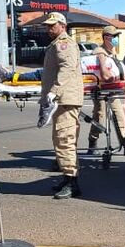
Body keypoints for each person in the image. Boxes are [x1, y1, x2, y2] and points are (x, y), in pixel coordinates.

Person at [39, 12, 82, 199]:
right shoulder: (56, 44)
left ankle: (72, 182)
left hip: (65, 98)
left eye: (52, 25)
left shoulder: (64, 44)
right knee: (60, 139)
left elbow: (67, 67)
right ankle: (67, 177)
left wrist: (54, 91)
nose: (49, 29)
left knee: (65, 139)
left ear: (62, 25)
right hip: (62, 99)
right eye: (47, 26)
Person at [86, 25, 125, 154]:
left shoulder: (113, 52)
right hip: (99, 89)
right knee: (100, 115)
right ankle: (92, 142)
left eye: (117, 36)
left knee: (119, 114)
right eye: (114, 37)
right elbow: (104, 73)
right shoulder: (100, 51)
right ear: (106, 38)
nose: (116, 39)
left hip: (112, 89)